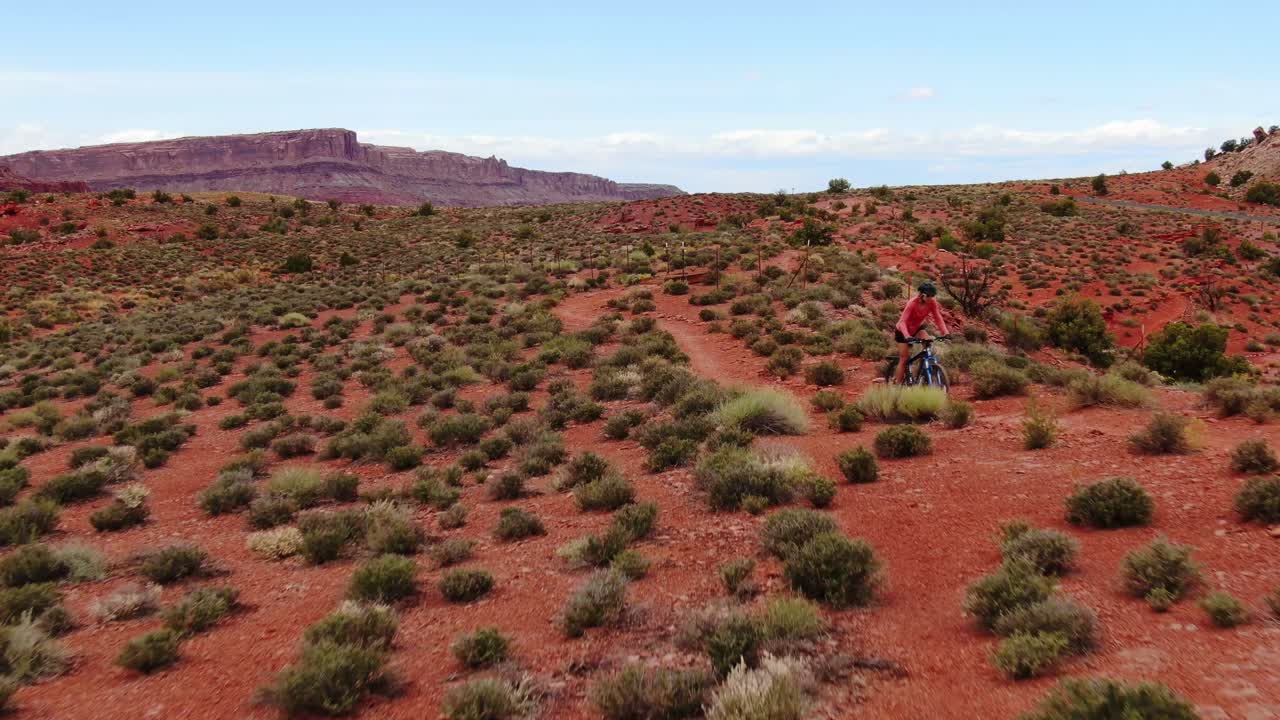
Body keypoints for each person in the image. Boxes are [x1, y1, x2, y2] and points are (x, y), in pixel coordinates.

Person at [893, 281, 949, 384]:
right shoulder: (912, 303)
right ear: (922, 295)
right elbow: (902, 321)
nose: (931, 298)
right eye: (929, 296)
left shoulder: (932, 303)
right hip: (902, 331)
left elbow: (938, 317)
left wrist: (945, 332)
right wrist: (907, 336)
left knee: (928, 346)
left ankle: (923, 371)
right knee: (904, 359)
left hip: (917, 329)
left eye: (933, 296)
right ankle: (897, 385)